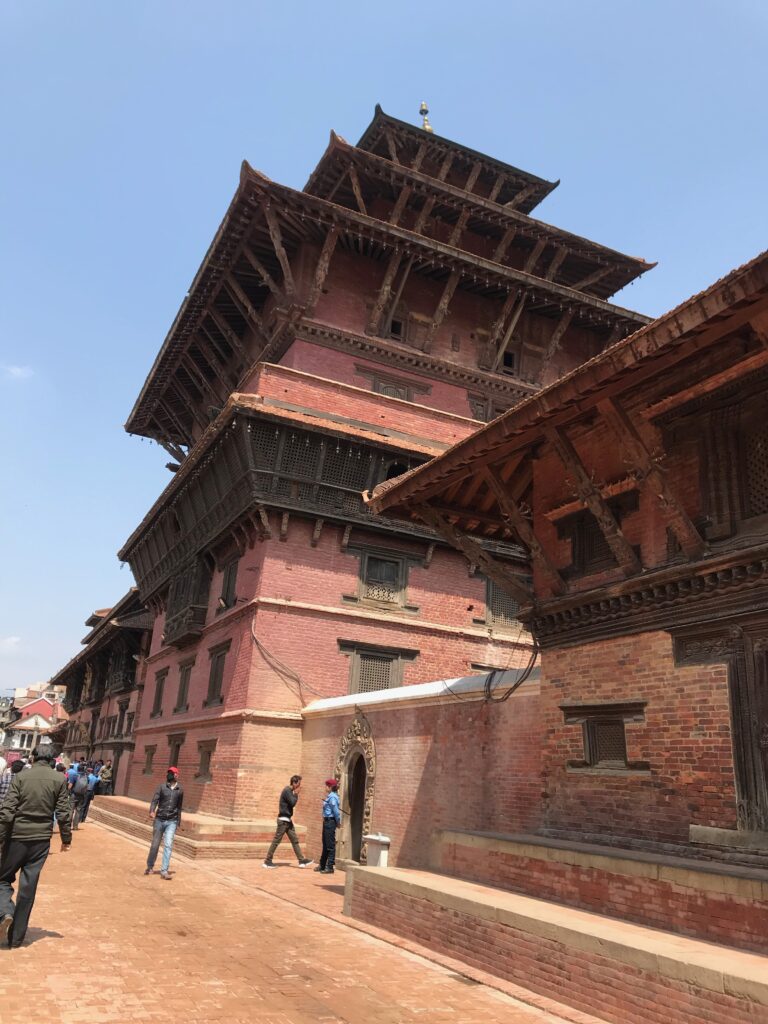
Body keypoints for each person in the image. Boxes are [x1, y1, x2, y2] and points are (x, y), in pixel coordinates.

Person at [0, 744, 72, 948]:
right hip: (41, 840)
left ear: (33, 758)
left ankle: (5, 911)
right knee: (28, 888)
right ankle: (15, 939)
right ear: (52, 760)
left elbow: (7, 811)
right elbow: (64, 813)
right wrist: (66, 839)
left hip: (16, 837)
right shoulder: (59, 779)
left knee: (3, 879)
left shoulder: (21, 777)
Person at [263, 775, 313, 869]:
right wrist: (296, 794)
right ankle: (267, 861)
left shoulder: (290, 791)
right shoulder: (287, 791)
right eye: (298, 784)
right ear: (294, 783)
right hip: (283, 821)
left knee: (295, 840)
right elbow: (292, 803)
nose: (299, 786)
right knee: (276, 841)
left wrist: (295, 793)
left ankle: (301, 860)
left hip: (288, 821)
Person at [145, 766, 183, 880]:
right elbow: (155, 800)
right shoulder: (162, 787)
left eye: (174, 773)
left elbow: (179, 807)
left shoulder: (180, 790)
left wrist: (178, 822)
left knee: (168, 845)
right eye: (171, 773)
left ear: (177, 775)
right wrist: (152, 811)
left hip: (172, 821)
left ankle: (164, 870)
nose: (172, 775)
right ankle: (150, 866)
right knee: (155, 845)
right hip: (159, 820)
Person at [315, 778, 341, 875]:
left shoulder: (333, 797)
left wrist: (338, 822)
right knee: (325, 844)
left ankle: (330, 866)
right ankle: (322, 864)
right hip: (326, 821)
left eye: (327, 786)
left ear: (330, 787)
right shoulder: (329, 796)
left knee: (330, 845)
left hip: (330, 822)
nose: (325, 787)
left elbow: (336, 811)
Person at [69, 763, 90, 829]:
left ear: (77, 769)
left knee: (71, 810)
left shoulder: (74, 776)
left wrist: (67, 791)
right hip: (81, 795)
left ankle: (68, 825)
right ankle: (75, 826)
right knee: (78, 811)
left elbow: (70, 786)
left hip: (74, 795)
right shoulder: (86, 777)